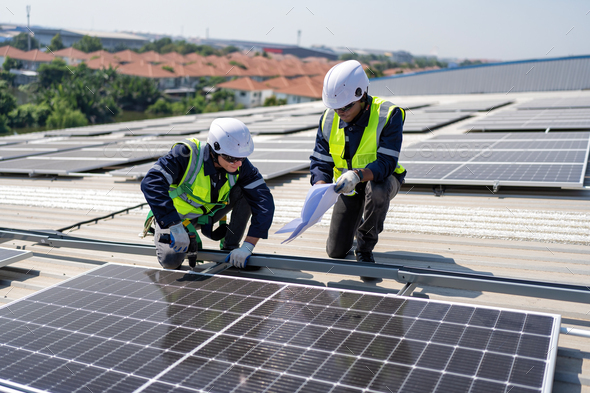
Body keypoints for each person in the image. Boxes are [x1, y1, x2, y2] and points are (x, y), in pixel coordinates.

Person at [141, 118, 275, 270]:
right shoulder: (186, 154)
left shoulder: (240, 164)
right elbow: (150, 183)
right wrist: (174, 225)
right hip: (174, 217)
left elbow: (264, 202)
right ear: (214, 149)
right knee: (171, 260)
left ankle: (231, 247)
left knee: (248, 194)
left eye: (242, 158)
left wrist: (248, 246)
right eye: (232, 158)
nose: (238, 164)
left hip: (207, 215)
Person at [310, 60, 406, 265]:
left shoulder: (388, 114)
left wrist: (357, 175)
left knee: (378, 189)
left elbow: (387, 162)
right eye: (335, 107)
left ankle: (365, 246)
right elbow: (320, 161)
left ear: (362, 95)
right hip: (348, 187)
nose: (340, 112)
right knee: (335, 251)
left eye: (345, 106)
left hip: (382, 179)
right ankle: (355, 221)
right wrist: (319, 186)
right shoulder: (329, 118)